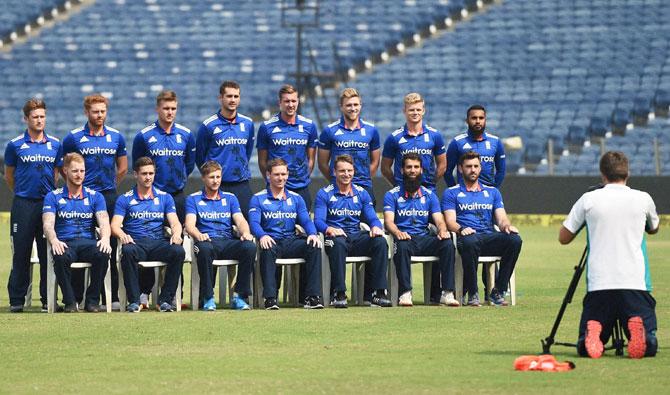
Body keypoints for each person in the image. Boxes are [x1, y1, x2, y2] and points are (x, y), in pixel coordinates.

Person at [559, 151, 659, 359]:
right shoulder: (643, 198)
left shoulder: (589, 199)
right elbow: (653, 227)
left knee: (584, 346)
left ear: (602, 174)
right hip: (634, 284)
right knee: (649, 344)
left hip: (599, 285)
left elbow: (564, 237)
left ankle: (594, 330)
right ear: (627, 173)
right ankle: (640, 333)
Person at [63, 93, 127, 310]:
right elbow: (66, 167)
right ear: (86, 112)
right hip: (81, 199)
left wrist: (108, 186)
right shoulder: (73, 138)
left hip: (107, 197)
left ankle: (111, 296)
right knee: (79, 242)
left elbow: (123, 167)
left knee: (109, 247)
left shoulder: (117, 137)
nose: (100, 115)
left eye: (103, 111)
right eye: (95, 111)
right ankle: (77, 296)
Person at [442, 151, 522, 307]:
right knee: (470, 241)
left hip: (488, 237)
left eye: (476, 166)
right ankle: (473, 292)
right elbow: (450, 221)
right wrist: (461, 229)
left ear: (480, 168)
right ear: (460, 169)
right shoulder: (451, 193)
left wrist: (506, 226)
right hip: (466, 238)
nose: (473, 170)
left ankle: (498, 290)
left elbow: (501, 218)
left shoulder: (493, 192)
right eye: (468, 166)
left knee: (515, 240)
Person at [5, 98, 63, 313]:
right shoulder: (15, 145)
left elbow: (56, 174)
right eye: (35, 117)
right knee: (21, 253)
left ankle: (48, 298)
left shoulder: (56, 144)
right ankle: (17, 299)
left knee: (48, 252)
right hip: (23, 205)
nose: (39, 120)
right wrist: (22, 193)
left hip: (47, 205)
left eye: (42, 116)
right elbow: (10, 176)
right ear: (26, 119)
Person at [314, 154, 391, 308]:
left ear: (354, 172)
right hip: (334, 238)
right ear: (334, 172)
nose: (346, 174)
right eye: (342, 171)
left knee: (380, 242)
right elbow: (318, 221)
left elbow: (372, 218)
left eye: (349, 170)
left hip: (356, 236)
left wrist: (376, 226)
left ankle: (378, 293)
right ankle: (339, 293)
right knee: (338, 245)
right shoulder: (324, 193)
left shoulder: (362, 193)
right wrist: (329, 229)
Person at [383, 153, 458, 307]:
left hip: (424, 238)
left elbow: (439, 220)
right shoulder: (392, 195)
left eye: (416, 167)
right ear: (402, 170)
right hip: (405, 239)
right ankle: (405, 293)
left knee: (447, 243)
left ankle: (447, 293)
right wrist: (397, 233)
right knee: (401, 246)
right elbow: (388, 222)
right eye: (409, 167)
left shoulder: (430, 195)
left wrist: (442, 230)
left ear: (421, 170)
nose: (412, 170)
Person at [111, 157, 185, 312]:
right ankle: (134, 301)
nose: (148, 177)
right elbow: (115, 225)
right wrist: (122, 235)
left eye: (151, 173)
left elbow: (175, 223)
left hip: (157, 243)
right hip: (137, 243)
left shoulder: (165, 197)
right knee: (128, 250)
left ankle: (164, 300)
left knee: (178, 251)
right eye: (144, 173)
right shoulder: (125, 198)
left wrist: (176, 234)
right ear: (136, 174)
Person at [248, 158, 323, 310]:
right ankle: (270, 298)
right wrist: (262, 235)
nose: (280, 178)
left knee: (313, 246)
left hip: (290, 241)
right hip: (271, 240)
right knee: (267, 248)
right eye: (276, 174)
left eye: (283, 174)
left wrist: (313, 233)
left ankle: (312, 297)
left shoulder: (296, 198)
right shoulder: (258, 198)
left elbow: (306, 221)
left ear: (288, 174)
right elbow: (254, 223)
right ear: (268, 175)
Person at [42, 153, 111, 312]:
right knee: (60, 256)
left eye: (82, 171)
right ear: (65, 171)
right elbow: (47, 224)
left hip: (88, 242)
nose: (79, 175)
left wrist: (105, 238)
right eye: (75, 171)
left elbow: (104, 222)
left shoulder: (96, 196)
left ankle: (92, 301)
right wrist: (54, 240)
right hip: (66, 242)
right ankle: (70, 301)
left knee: (102, 253)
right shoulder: (53, 196)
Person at [184, 161, 256, 311]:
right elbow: (190, 225)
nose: (216, 180)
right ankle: (208, 298)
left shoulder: (230, 198)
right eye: (212, 177)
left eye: (218, 177)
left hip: (227, 241)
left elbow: (240, 220)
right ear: (203, 178)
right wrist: (199, 234)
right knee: (203, 250)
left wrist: (246, 233)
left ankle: (239, 296)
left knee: (249, 247)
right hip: (207, 241)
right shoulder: (193, 199)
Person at [133, 90, 195, 222]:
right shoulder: (144, 136)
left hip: (177, 195)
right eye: (166, 108)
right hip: (152, 196)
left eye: (173, 108)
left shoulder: (187, 135)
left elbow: (189, 164)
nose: (170, 112)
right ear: (157, 109)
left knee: (178, 237)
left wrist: (180, 178)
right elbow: (137, 165)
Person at [195, 81, 255, 216]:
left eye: (236, 96)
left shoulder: (248, 124)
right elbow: (200, 158)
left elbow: (247, 151)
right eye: (229, 96)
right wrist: (212, 177)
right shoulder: (208, 126)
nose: (232, 100)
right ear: (220, 98)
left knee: (248, 225)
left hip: (242, 185)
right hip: (217, 186)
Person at [256, 84, 318, 210]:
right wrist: (271, 180)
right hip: (275, 188)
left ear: (298, 101)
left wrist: (304, 177)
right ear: (280, 102)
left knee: (303, 227)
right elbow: (262, 161)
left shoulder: (309, 126)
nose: (290, 105)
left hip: (301, 188)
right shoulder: (266, 127)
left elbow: (311, 158)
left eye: (293, 101)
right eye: (287, 101)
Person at [317, 88, 381, 206]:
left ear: (360, 105)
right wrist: (335, 179)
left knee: (367, 223)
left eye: (356, 104)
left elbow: (375, 161)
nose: (353, 108)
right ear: (341, 106)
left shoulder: (371, 130)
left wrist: (364, 178)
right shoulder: (329, 130)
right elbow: (322, 164)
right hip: (337, 188)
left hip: (364, 187)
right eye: (349, 105)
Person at [381, 92, 446, 191]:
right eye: (411, 110)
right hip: (402, 191)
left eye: (418, 109)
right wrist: (397, 185)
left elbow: (442, 165)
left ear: (423, 111)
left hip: (428, 190)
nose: (415, 113)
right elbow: (385, 168)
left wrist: (431, 183)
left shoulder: (435, 135)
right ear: (404, 111)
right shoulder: (394, 137)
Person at [444, 104, 505, 188]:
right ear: (467, 121)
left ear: (485, 120)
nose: (478, 121)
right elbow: (447, 171)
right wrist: (455, 190)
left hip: (487, 193)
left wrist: (494, 191)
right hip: (465, 193)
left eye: (481, 118)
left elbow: (501, 171)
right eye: (474, 118)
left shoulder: (496, 141)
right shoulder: (457, 142)